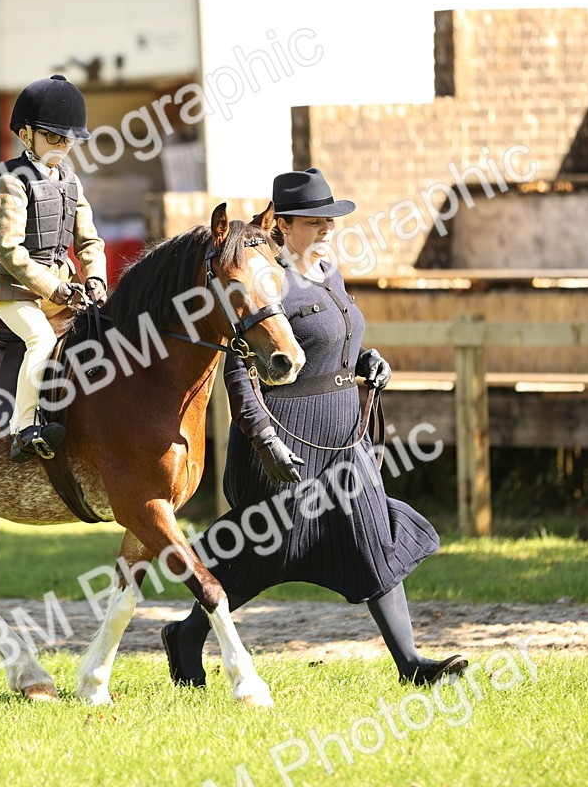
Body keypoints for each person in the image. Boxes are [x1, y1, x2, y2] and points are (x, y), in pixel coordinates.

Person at [161, 168, 467, 687]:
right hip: (285, 439)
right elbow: (238, 368)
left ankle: (412, 664)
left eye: (331, 218)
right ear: (282, 224)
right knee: (266, 551)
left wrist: (369, 361)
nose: (327, 227)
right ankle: (188, 634)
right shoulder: (264, 280)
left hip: (346, 435)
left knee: (373, 538)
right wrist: (264, 437)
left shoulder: (330, 271)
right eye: (314, 220)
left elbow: (339, 342)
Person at [0, 75, 108, 463]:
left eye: (68, 139)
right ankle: (24, 429)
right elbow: (9, 250)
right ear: (25, 134)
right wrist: (54, 288)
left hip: (62, 287)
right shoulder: (11, 182)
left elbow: (89, 241)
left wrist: (97, 278)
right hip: (13, 291)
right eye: (54, 137)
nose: (63, 146)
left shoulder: (71, 182)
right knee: (41, 340)